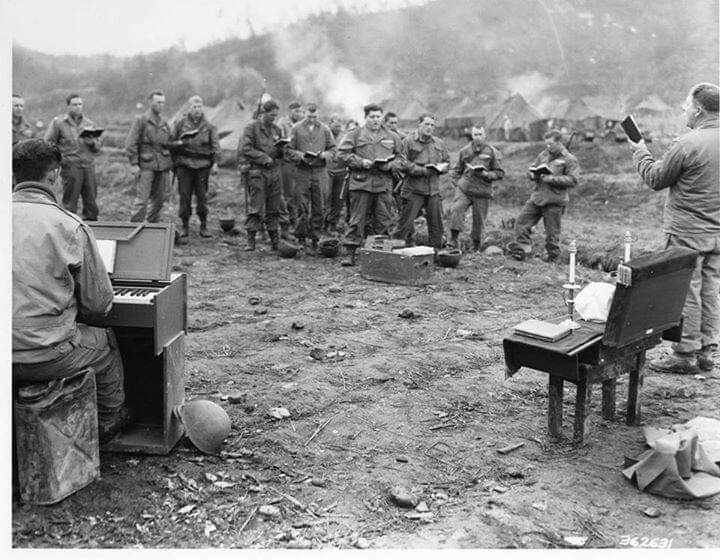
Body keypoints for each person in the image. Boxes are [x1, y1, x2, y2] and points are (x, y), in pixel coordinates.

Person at [12, 139, 128, 442]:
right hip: (46, 354)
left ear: (13, 175)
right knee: (105, 343)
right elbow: (99, 305)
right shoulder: (69, 225)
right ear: (53, 176)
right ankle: (109, 423)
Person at [630, 83, 720, 374]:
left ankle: (684, 354)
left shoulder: (686, 143)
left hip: (687, 232)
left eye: (686, 105)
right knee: (710, 289)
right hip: (716, 234)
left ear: (698, 110)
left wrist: (640, 152)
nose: (684, 110)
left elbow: (656, 179)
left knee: (686, 290)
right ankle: (706, 351)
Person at [337, 103, 403, 266]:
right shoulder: (355, 134)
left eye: (378, 116)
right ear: (365, 118)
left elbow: (402, 158)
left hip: (383, 183)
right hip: (361, 182)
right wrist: (360, 162)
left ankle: (380, 255)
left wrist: (390, 165)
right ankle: (351, 254)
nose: (375, 120)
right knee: (357, 220)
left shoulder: (392, 136)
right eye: (372, 117)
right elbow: (342, 153)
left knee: (383, 220)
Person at [510, 129, 580, 262]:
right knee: (521, 223)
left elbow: (573, 180)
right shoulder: (543, 155)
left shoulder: (569, 159)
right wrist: (531, 174)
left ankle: (554, 259)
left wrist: (552, 179)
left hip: (555, 201)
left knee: (552, 234)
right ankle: (523, 251)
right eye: (546, 144)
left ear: (558, 142)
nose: (548, 147)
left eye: (550, 144)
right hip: (537, 198)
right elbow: (533, 167)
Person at [392, 113, 450, 250]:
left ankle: (435, 253)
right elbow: (402, 162)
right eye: (426, 124)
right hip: (413, 189)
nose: (429, 127)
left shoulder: (439, 143)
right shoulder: (408, 141)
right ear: (419, 124)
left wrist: (442, 168)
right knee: (404, 225)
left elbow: (447, 161)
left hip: (433, 190)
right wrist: (422, 170)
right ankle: (395, 253)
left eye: (432, 125)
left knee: (436, 226)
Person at [285, 103, 336, 253]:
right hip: (302, 171)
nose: (311, 119)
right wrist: (301, 156)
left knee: (319, 205)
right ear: (304, 114)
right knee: (301, 205)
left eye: (314, 117)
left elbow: (333, 149)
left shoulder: (325, 129)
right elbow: (288, 149)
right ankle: (301, 237)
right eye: (309, 116)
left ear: (318, 115)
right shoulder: (296, 128)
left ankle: (315, 238)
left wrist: (325, 155)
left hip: (320, 172)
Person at [44, 93, 102, 221]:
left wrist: (92, 142)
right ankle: (69, 227)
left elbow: (98, 147)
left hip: (88, 166)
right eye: (75, 104)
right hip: (70, 166)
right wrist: (58, 162)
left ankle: (91, 227)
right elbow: (48, 144)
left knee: (91, 202)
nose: (78, 107)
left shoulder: (89, 123)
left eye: (80, 104)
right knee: (70, 201)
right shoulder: (59, 123)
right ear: (68, 106)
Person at [238, 99, 286, 251]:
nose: (274, 118)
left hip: (274, 172)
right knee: (256, 208)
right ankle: (251, 240)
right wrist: (264, 158)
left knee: (274, 208)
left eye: (276, 115)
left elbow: (280, 152)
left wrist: (282, 149)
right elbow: (245, 149)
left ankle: (275, 242)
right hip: (258, 173)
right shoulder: (251, 128)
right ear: (264, 113)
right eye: (271, 115)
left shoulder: (277, 130)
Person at [448, 126, 505, 251]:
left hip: (482, 191)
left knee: (479, 220)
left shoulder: (492, 152)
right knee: (456, 208)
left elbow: (500, 173)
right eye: (475, 134)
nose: (477, 137)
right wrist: (457, 184)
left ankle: (476, 246)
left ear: (485, 135)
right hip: (465, 189)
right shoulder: (465, 151)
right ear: (472, 136)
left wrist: (487, 174)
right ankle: (453, 239)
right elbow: (457, 170)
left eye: (480, 134)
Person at [171, 95, 221, 238]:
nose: (197, 110)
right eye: (194, 107)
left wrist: (215, 163)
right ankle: (185, 226)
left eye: (199, 107)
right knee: (184, 196)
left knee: (202, 197)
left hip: (202, 167)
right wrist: (180, 146)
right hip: (184, 165)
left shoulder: (209, 126)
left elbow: (216, 146)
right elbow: (171, 142)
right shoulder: (180, 124)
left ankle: (203, 226)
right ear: (189, 108)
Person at [125, 90, 173, 223]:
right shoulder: (141, 120)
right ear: (150, 102)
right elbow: (130, 143)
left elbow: (169, 143)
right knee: (142, 201)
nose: (161, 105)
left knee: (159, 201)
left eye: (163, 103)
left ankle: (152, 228)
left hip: (162, 166)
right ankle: (134, 228)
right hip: (146, 165)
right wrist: (134, 164)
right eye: (158, 102)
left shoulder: (164, 123)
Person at [277, 101, 304, 228]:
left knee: (298, 192)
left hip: (298, 162)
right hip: (286, 162)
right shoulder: (282, 123)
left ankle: (296, 218)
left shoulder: (301, 124)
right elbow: (278, 141)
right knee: (288, 192)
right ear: (289, 111)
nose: (298, 114)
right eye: (296, 111)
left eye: (300, 111)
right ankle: (287, 221)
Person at [325, 114, 347, 233]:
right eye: (335, 124)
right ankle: (323, 223)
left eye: (340, 125)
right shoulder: (325, 134)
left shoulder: (345, 136)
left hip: (341, 171)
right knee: (325, 197)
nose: (338, 127)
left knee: (338, 199)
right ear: (330, 124)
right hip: (327, 170)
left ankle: (333, 223)